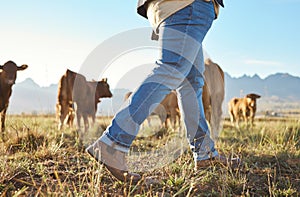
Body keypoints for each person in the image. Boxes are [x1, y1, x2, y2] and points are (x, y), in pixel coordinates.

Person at [86, 0, 238, 183]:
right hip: (186, 5)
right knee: (171, 69)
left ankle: (204, 153)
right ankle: (112, 144)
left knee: (191, 83)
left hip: (176, 7)